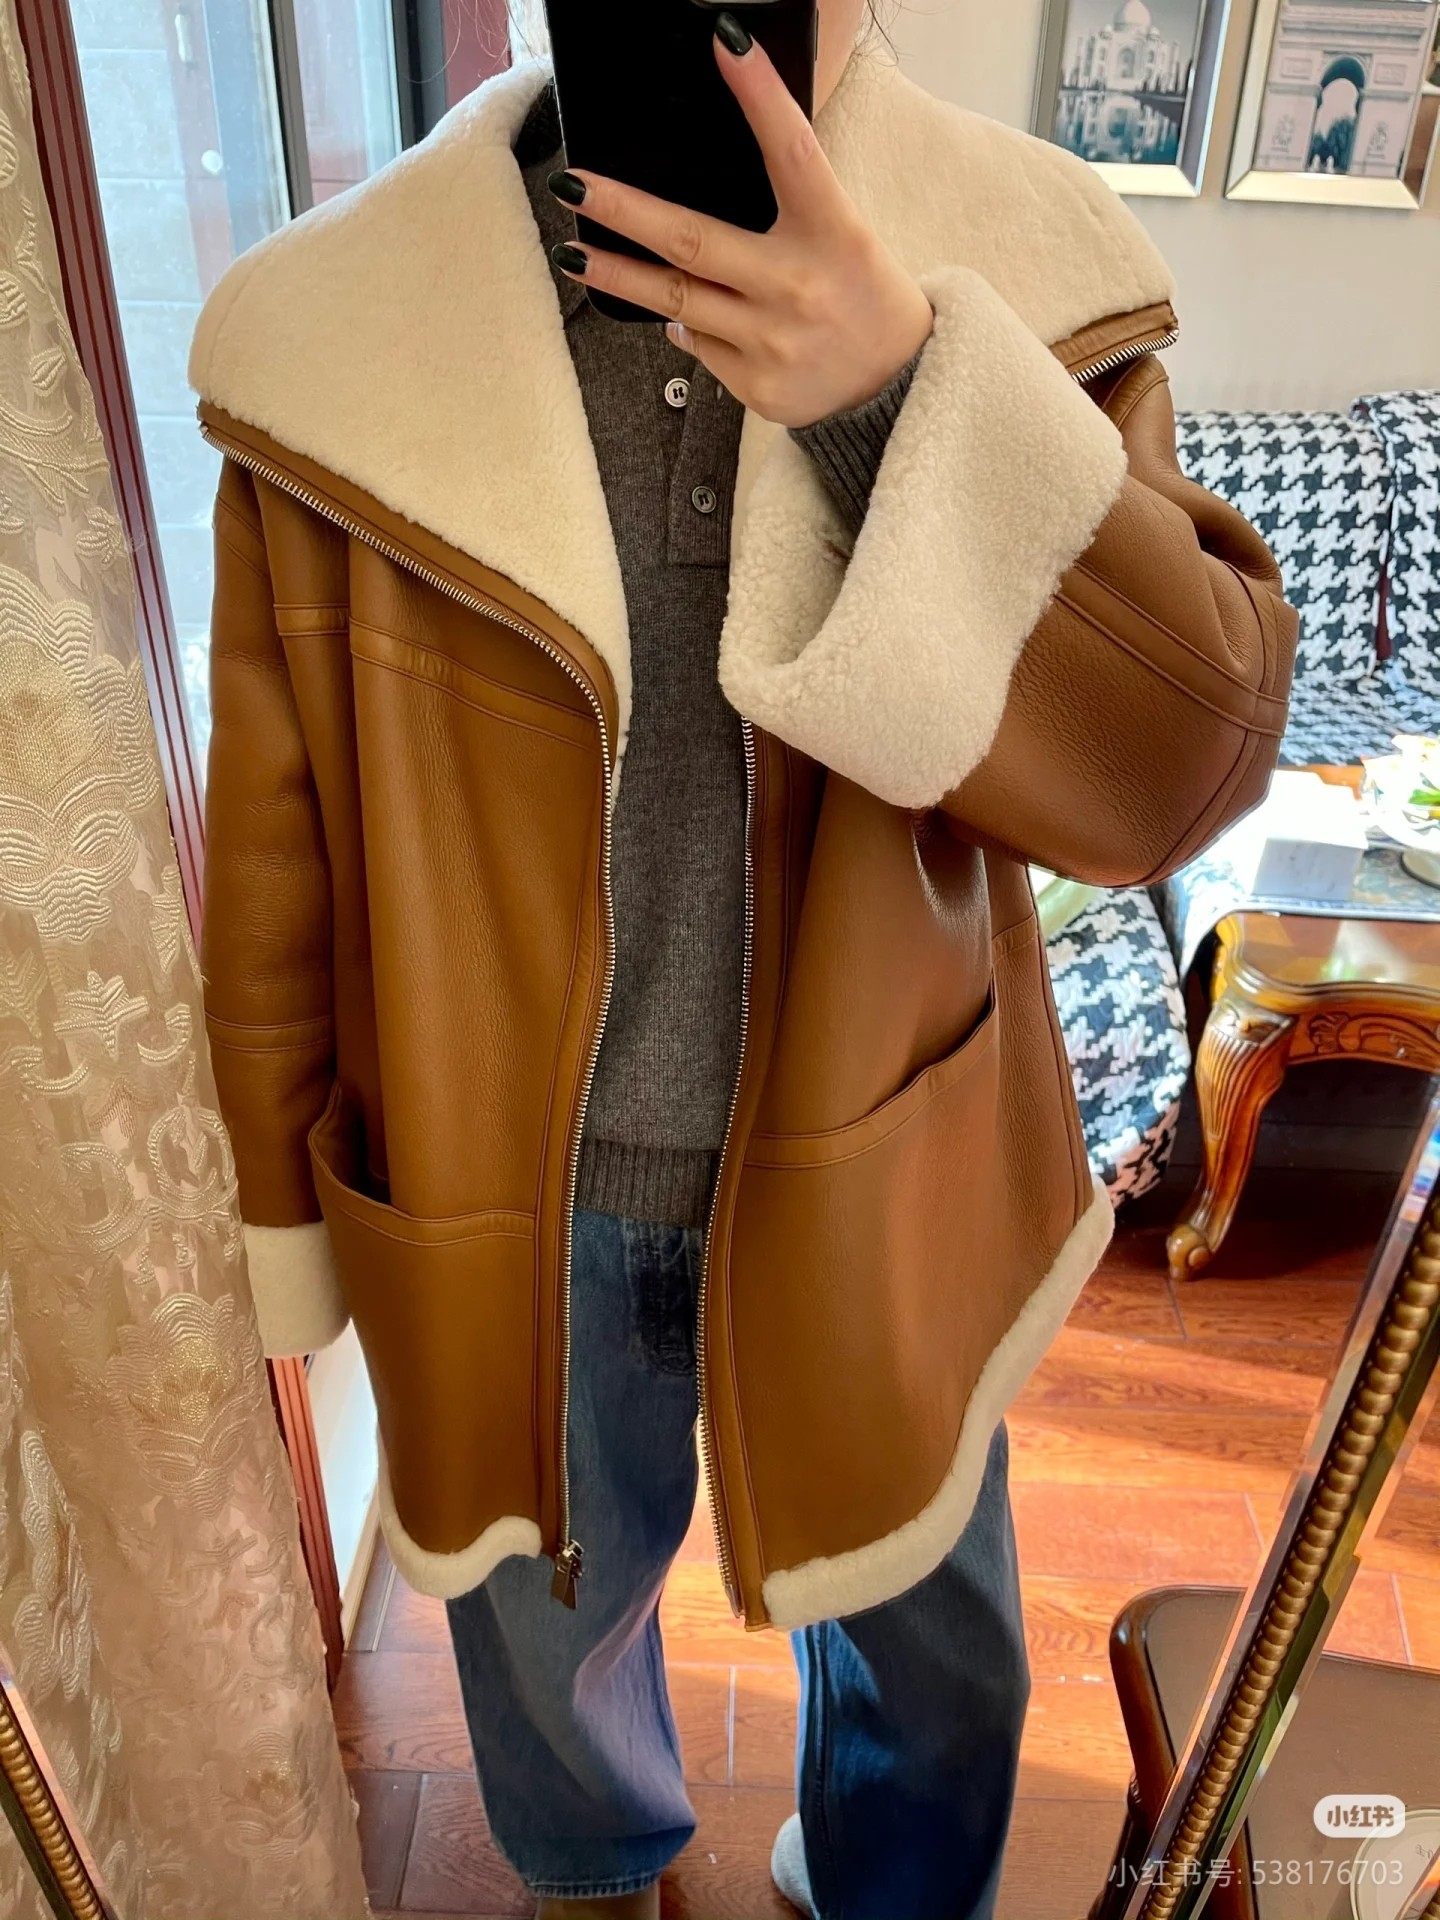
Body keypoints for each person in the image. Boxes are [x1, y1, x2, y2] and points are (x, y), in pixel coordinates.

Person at [190, 4, 1297, 1917]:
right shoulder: (336, 345)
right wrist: (283, 1203)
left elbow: (1171, 777)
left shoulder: (1033, 272)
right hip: (514, 1196)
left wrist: (905, 396)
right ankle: (601, 1877)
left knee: (934, 1654)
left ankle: (889, 1889)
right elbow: (277, 846)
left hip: (884, 1156)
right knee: (549, 1638)